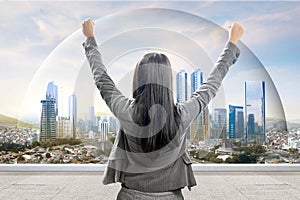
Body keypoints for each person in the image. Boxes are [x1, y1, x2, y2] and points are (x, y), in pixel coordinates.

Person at [82, 18, 243, 200]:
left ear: (138, 78)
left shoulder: (126, 111)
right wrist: (232, 44)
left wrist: (90, 39)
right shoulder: (183, 114)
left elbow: (102, 79)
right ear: (169, 81)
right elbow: (212, 83)